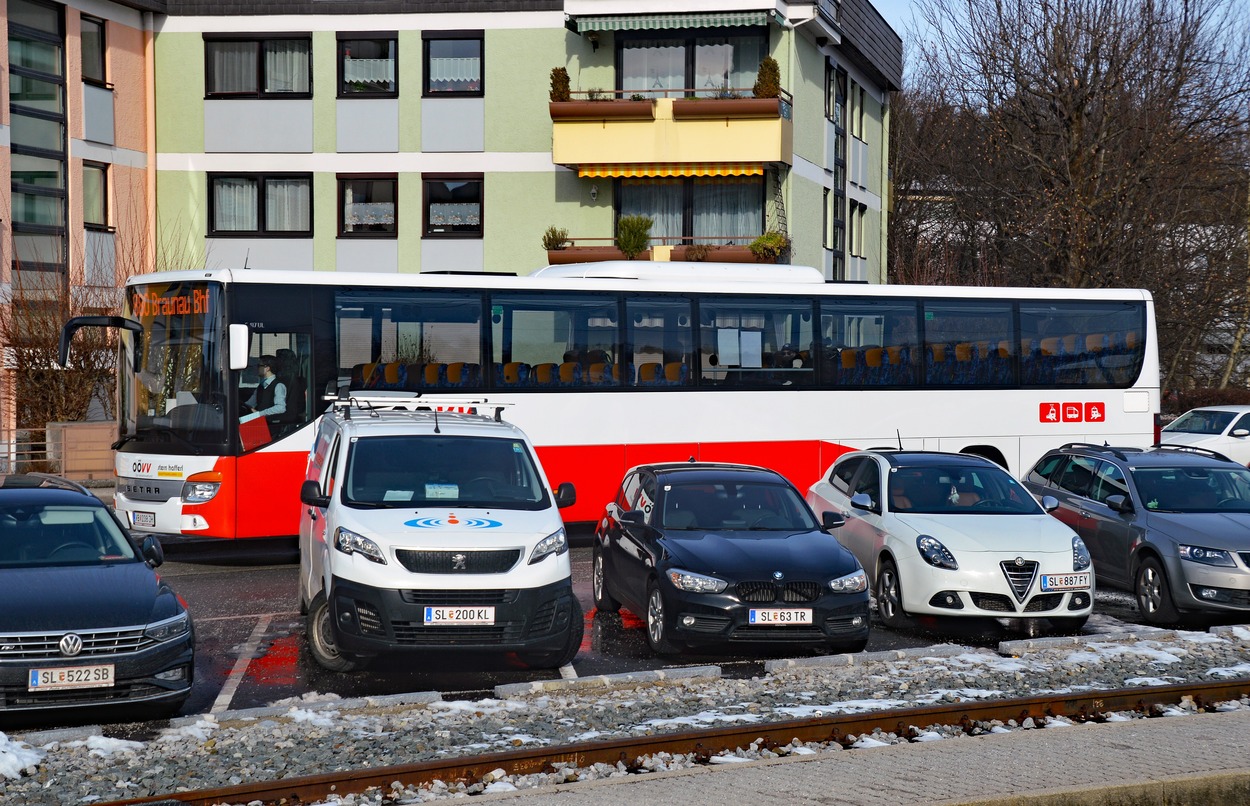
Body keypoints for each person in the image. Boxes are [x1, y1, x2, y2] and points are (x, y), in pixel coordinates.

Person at [242, 355, 287, 421]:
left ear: (267, 368)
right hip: (261, 423)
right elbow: (250, 404)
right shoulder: (261, 386)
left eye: (259, 366)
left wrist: (260, 414)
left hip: (272, 426)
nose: (257, 368)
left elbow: (281, 408)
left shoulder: (279, 386)